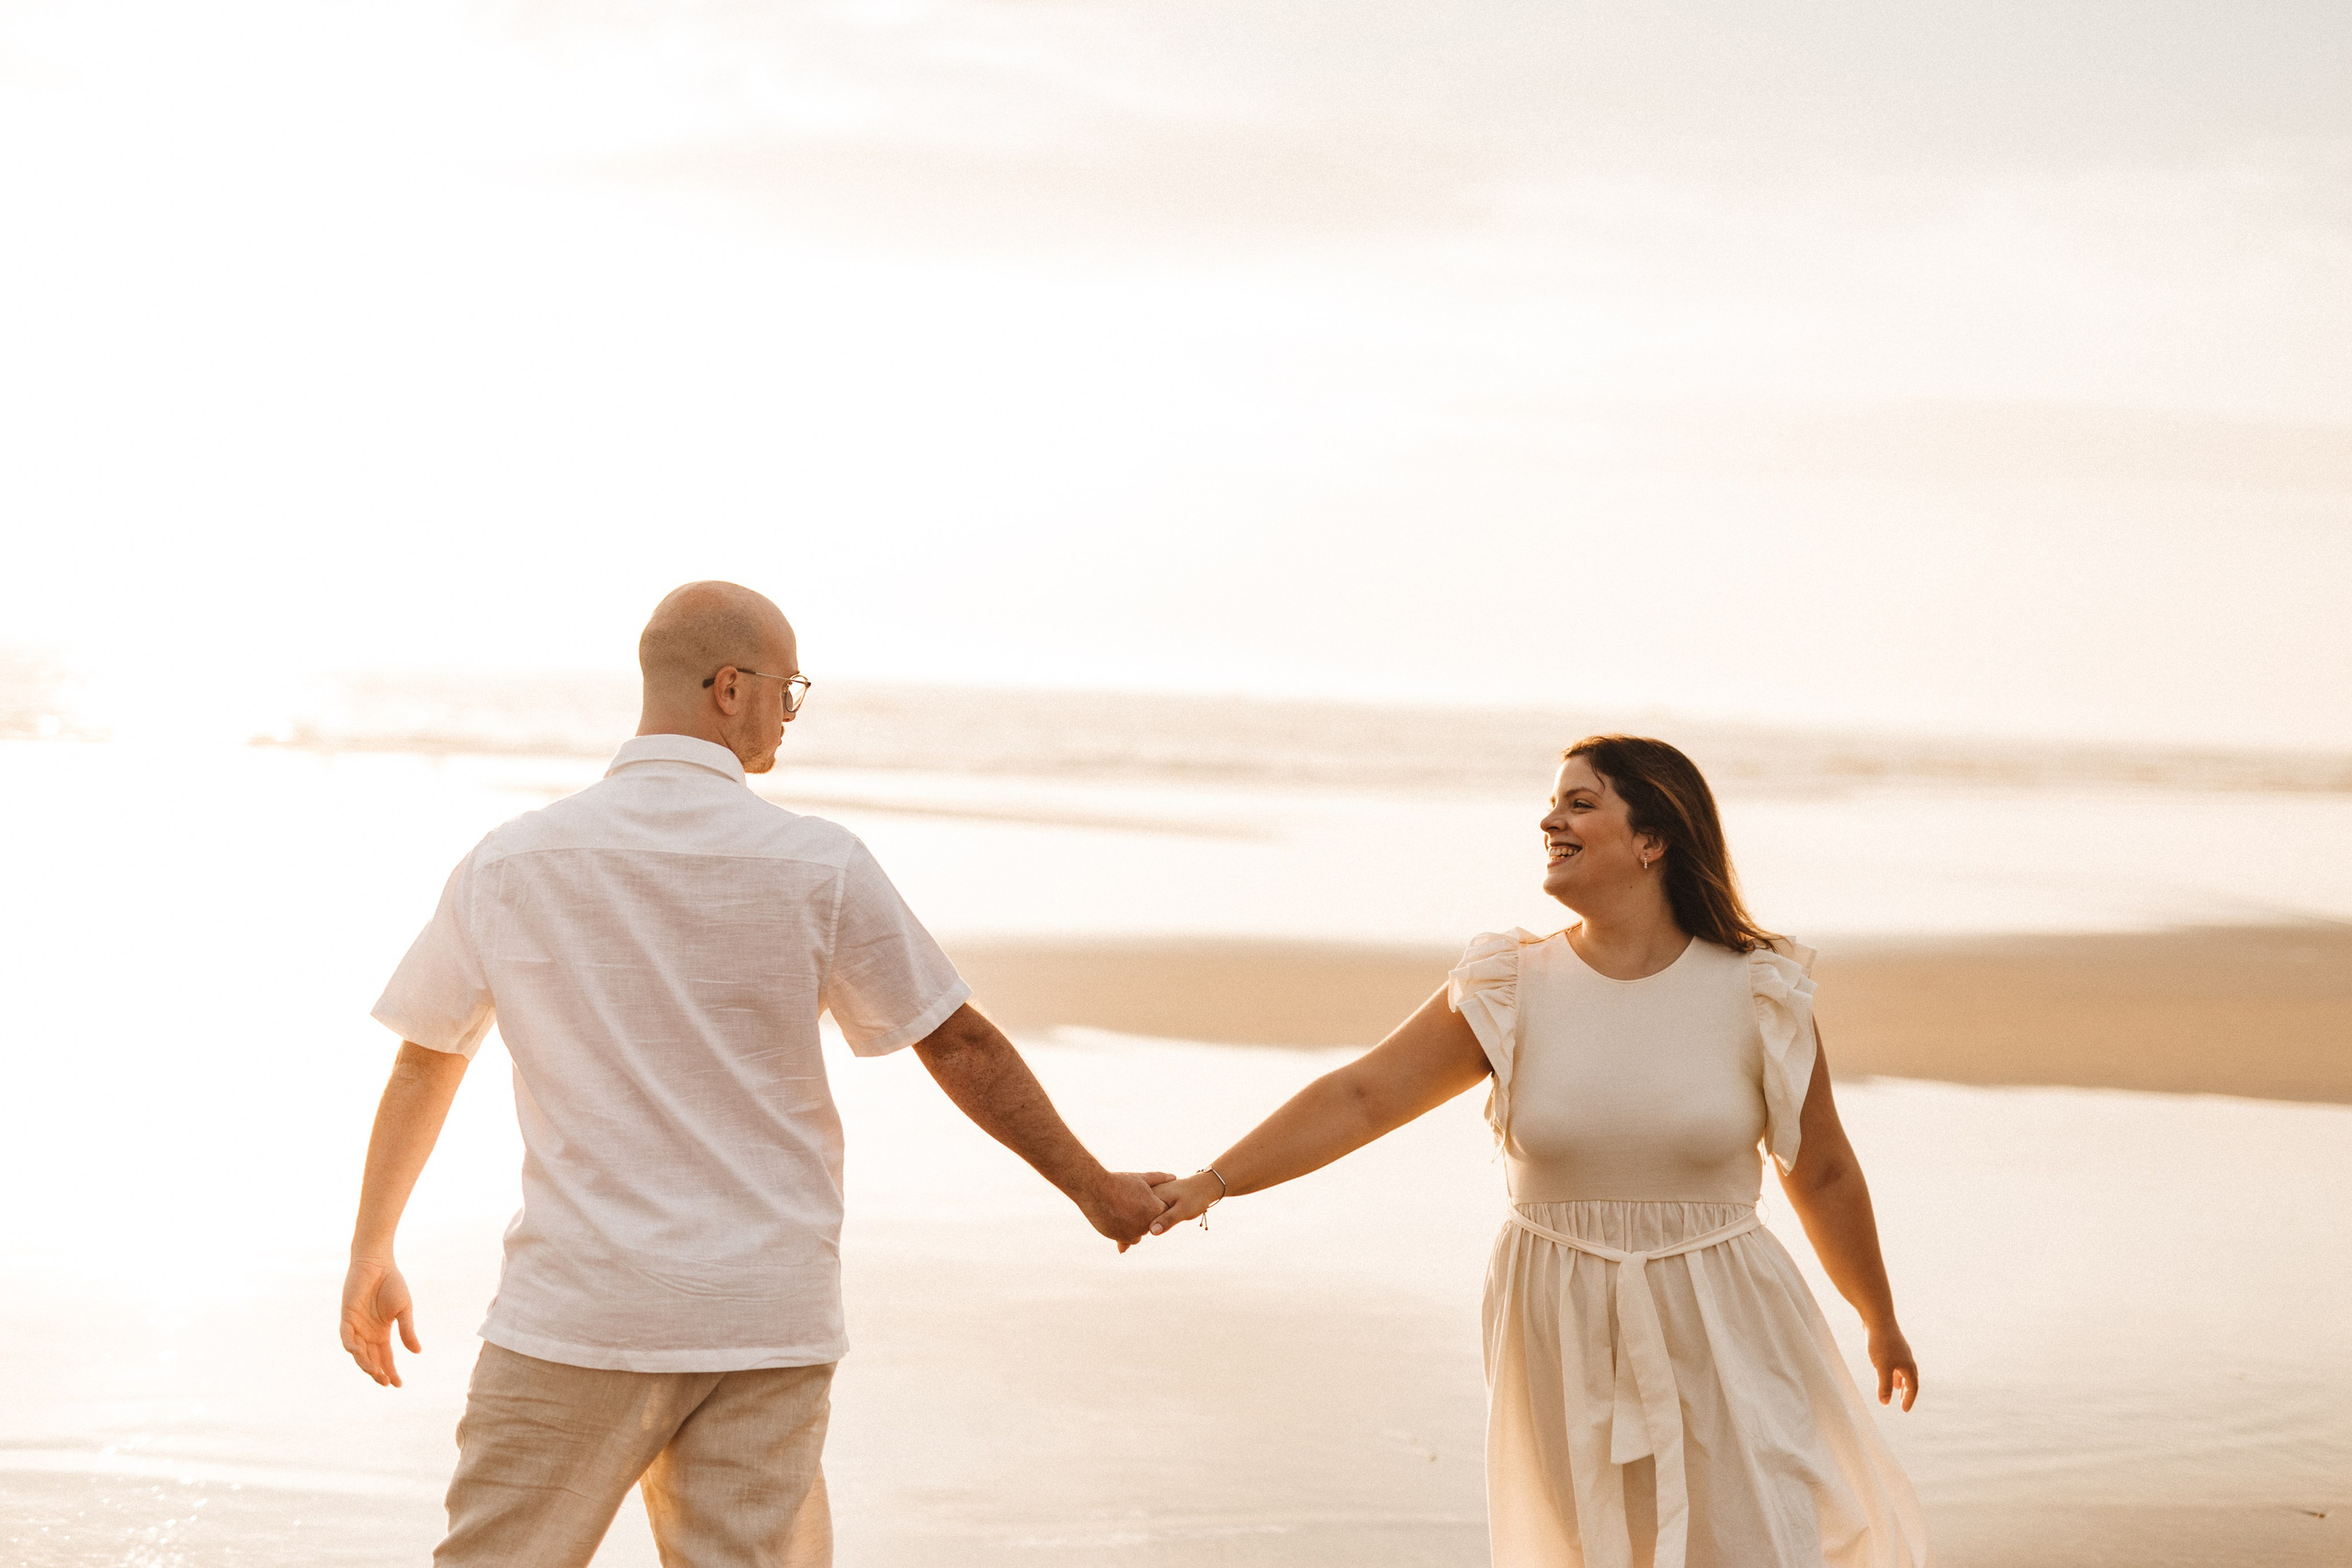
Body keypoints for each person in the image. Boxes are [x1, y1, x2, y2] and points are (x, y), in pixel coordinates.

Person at [339, 581, 1169, 1567]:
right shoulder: (815, 863)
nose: (789, 713)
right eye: (787, 689)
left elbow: (424, 1064)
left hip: (577, 1309)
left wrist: (371, 1251)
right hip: (762, 1316)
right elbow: (958, 1043)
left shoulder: (515, 859)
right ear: (728, 688)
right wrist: (1095, 1191)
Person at [1148, 735, 1928, 1568]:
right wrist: (1215, 1181)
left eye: (1580, 802)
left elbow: (1822, 1168)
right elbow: (1362, 1096)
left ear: (1652, 837)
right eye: (1555, 801)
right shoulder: (1509, 985)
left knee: (1756, 1539)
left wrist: (1878, 1318)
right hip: (1559, 1323)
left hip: (1727, 1314)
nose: (1549, 818)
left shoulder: (1759, 990)